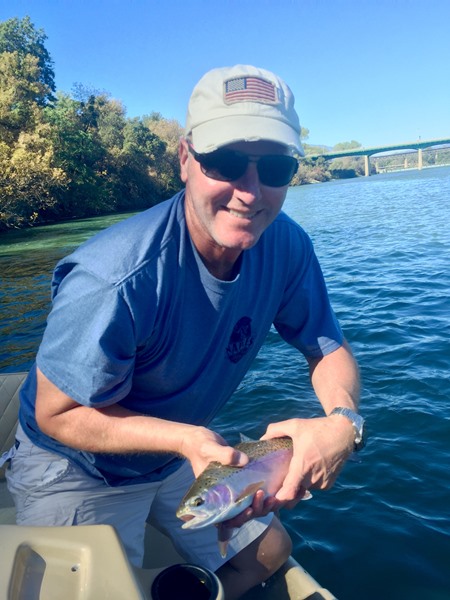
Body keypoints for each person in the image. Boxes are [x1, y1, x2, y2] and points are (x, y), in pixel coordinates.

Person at [5, 65, 363, 599]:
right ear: (184, 160)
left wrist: (343, 422)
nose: (250, 190)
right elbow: (54, 414)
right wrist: (186, 439)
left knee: (269, 554)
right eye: (224, 162)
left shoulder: (287, 247)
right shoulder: (114, 278)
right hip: (76, 466)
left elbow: (327, 347)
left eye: (276, 167)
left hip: (179, 456)